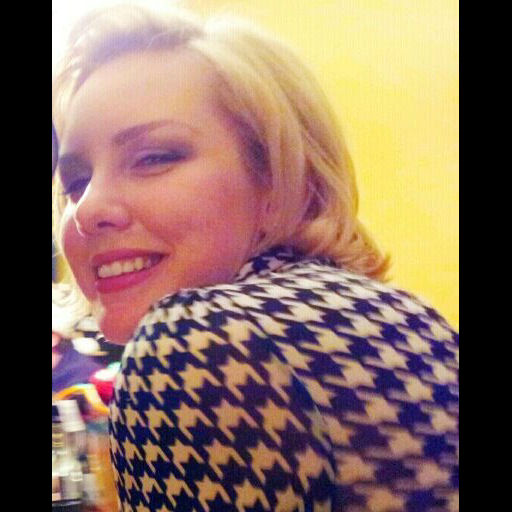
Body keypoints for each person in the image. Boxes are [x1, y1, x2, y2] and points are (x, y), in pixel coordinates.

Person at [52, 3, 459, 511]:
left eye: (154, 157)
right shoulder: (409, 315)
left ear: (278, 180)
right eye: (76, 182)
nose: (87, 210)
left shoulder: (197, 343)